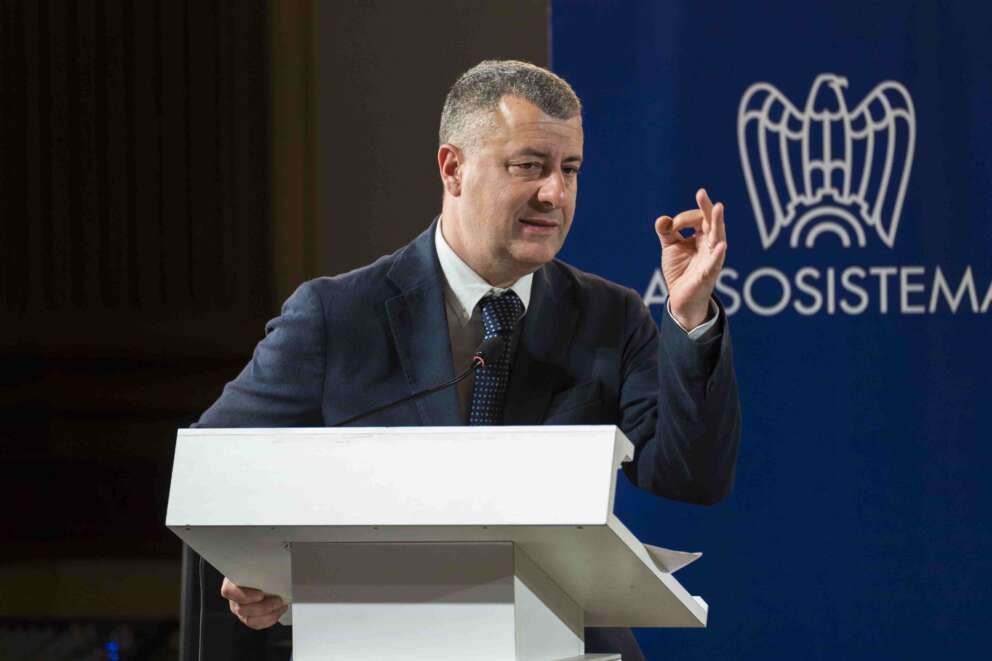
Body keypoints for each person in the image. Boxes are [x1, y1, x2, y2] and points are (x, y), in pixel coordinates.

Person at [197, 60, 741, 660]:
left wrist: (689, 318)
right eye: (529, 166)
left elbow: (690, 476)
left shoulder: (610, 316)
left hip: (564, 643)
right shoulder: (338, 316)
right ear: (453, 168)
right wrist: (261, 570)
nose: (555, 194)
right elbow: (214, 468)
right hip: (382, 639)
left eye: (569, 169)